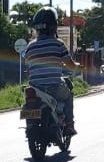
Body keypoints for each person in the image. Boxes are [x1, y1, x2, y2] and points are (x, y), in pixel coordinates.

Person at [23, 7, 79, 136]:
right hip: (54, 87)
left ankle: (30, 125)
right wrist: (77, 66)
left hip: (35, 88)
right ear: (54, 27)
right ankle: (69, 125)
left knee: (28, 102)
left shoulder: (30, 46)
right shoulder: (58, 44)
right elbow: (70, 64)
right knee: (69, 94)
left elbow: (28, 69)